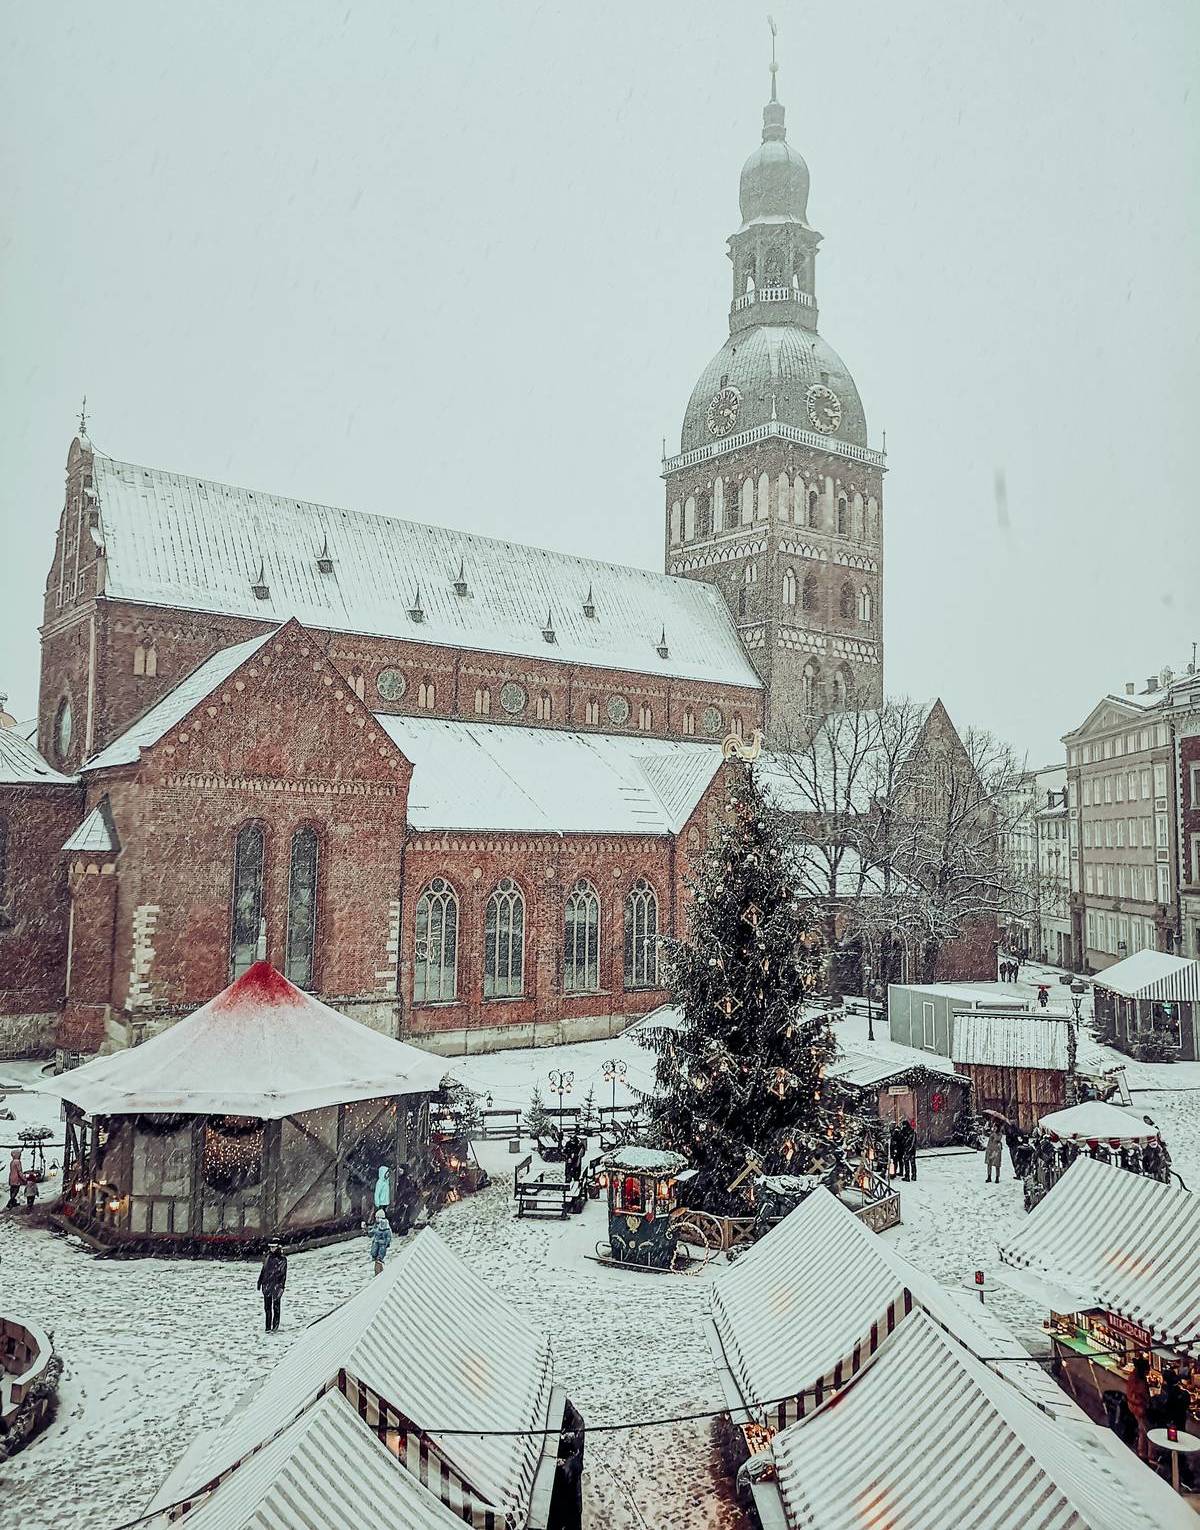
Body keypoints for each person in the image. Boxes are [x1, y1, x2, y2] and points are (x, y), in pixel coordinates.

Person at [257, 1238, 288, 1332]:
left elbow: (283, 1275)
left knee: (276, 1307)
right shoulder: (267, 1257)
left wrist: (281, 1286)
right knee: (267, 1308)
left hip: (276, 1286)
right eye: (270, 1247)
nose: (271, 1249)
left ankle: (275, 1326)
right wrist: (259, 1281)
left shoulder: (282, 1259)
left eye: (273, 1247)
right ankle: (267, 1327)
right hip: (267, 1284)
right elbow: (263, 1270)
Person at [1126, 1353, 1152, 1461]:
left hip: (1135, 1406)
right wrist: (1147, 1403)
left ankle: (1143, 1451)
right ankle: (1147, 1454)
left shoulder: (1135, 1376)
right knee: (1146, 1431)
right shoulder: (1138, 1381)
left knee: (1142, 1429)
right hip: (1139, 1408)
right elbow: (1140, 1395)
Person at [369, 1207, 392, 1275]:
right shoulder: (378, 1225)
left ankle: (378, 1274)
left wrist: (385, 1243)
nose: (376, 1219)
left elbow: (387, 1236)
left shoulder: (383, 1226)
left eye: (377, 1218)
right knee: (377, 1260)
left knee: (378, 1260)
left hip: (380, 1245)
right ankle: (379, 1273)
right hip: (377, 1244)